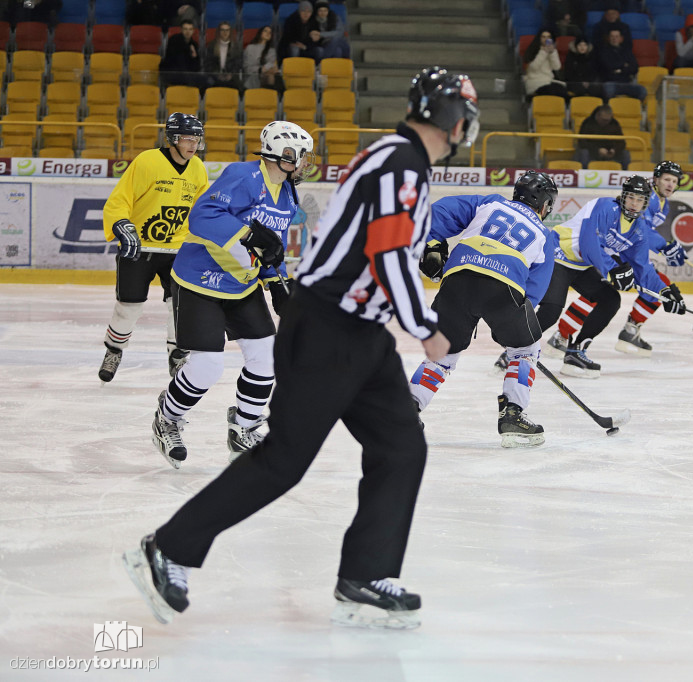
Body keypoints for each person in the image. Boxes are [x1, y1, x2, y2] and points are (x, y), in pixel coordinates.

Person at [123, 67, 478, 630]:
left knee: (401, 448)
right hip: (331, 328)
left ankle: (364, 574)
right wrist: (427, 326)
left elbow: (384, 250)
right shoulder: (401, 164)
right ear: (456, 119)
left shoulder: (393, 160)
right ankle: (169, 547)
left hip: (361, 332)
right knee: (285, 459)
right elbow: (387, 255)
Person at [148, 120, 314, 469]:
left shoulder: (286, 193)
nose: (305, 163)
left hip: (242, 286)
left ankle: (245, 426)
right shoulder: (242, 175)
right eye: (301, 156)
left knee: (267, 356)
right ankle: (168, 418)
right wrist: (248, 234)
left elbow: (272, 248)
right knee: (207, 366)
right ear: (283, 154)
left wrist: (278, 282)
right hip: (200, 283)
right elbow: (202, 216)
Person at [411, 171, 559, 448]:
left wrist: (433, 243)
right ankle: (513, 414)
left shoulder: (490, 202)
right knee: (526, 350)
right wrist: (512, 328)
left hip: (457, 278)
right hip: (504, 286)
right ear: (544, 205)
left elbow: (436, 212)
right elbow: (535, 291)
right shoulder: (545, 234)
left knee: (443, 353)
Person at [531, 176, 685, 378]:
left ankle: (576, 351)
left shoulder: (638, 230)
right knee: (551, 309)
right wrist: (612, 268)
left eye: (639, 200)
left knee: (610, 300)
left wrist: (665, 292)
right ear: (623, 196)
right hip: (558, 256)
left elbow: (643, 267)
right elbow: (589, 243)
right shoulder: (605, 207)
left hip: (581, 265)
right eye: (630, 197)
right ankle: (514, 351)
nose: (634, 203)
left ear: (645, 203)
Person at [98, 113, 209, 384]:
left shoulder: (198, 168)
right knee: (129, 305)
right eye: (187, 138)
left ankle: (177, 353)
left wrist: (208, 237)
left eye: (196, 139)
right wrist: (122, 224)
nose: (193, 145)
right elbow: (120, 199)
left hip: (178, 250)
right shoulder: (147, 161)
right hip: (140, 249)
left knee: (180, 304)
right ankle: (114, 351)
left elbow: (203, 210)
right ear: (172, 138)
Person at [595, 29, 646, 101]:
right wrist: (624, 65)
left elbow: (635, 68)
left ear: (620, 38)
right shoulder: (603, 51)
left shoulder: (627, 51)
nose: (614, 39)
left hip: (627, 83)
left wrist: (619, 69)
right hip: (611, 82)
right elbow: (608, 66)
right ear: (609, 38)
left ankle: (634, 109)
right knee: (608, 90)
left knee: (642, 90)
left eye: (616, 36)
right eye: (612, 36)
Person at [575, 104, 630, 169]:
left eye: (608, 120)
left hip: (610, 153)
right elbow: (582, 142)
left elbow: (621, 142)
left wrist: (614, 150)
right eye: (604, 120)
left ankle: (624, 176)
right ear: (597, 116)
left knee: (625, 154)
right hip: (592, 152)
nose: (607, 122)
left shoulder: (614, 123)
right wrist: (597, 150)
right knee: (584, 153)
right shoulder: (588, 123)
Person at [523, 29, 568, 100]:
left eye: (548, 37)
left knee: (563, 90)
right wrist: (544, 52)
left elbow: (556, 67)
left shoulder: (552, 51)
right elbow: (534, 67)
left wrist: (552, 53)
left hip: (549, 81)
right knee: (553, 91)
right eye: (543, 37)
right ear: (539, 38)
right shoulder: (532, 50)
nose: (546, 39)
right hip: (535, 82)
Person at [159, 18, 201, 88]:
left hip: (186, 75)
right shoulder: (174, 40)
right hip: (172, 72)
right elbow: (174, 59)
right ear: (181, 30)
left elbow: (196, 66)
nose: (188, 32)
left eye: (190, 29)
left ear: (193, 31)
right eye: (185, 29)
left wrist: (195, 56)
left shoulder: (194, 44)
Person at [203, 22, 243, 90]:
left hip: (231, 77)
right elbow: (208, 64)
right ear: (219, 32)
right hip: (215, 77)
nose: (225, 32)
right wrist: (217, 74)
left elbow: (238, 63)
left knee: (239, 88)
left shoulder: (236, 47)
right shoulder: (212, 45)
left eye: (227, 30)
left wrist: (231, 74)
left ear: (230, 32)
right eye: (222, 30)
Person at [243, 25, 281, 90]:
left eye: (270, 32)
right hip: (253, 76)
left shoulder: (271, 50)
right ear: (260, 33)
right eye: (265, 31)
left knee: (272, 74)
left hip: (267, 75)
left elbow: (271, 64)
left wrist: (265, 69)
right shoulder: (250, 48)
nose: (268, 33)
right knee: (270, 74)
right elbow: (247, 68)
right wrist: (261, 69)